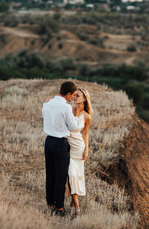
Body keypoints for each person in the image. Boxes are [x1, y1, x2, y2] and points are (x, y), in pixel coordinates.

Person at [42, 81, 80, 217]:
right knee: (61, 176)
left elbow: (45, 117)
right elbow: (73, 126)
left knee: (50, 174)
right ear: (68, 94)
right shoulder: (66, 107)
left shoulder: (47, 103)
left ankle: (50, 203)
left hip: (48, 142)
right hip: (60, 143)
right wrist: (76, 117)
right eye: (73, 95)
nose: (73, 98)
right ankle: (59, 208)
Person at [66, 88, 92, 217]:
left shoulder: (87, 116)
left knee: (76, 176)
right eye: (74, 95)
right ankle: (77, 206)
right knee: (71, 174)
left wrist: (86, 149)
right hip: (67, 148)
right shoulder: (69, 110)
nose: (74, 97)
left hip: (79, 149)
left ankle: (73, 200)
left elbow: (85, 134)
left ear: (84, 99)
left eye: (78, 95)